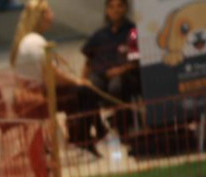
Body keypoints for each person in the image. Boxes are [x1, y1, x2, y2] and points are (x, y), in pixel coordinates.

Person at [11, 0, 107, 155]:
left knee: (82, 90)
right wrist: (77, 81)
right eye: (49, 11)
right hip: (38, 96)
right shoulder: (35, 42)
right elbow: (52, 75)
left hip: (34, 91)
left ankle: (91, 132)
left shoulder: (28, 40)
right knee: (84, 90)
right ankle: (82, 137)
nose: (52, 15)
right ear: (40, 16)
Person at [82, 0, 140, 135]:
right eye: (112, 7)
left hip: (125, 75)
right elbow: (88, 61)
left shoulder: (133, 32)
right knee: (86, 88)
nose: (116, 10)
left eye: (119, 6)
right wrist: (82, 79)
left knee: (116, 86)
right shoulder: (99, 34)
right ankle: (97, 127)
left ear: (125, 8)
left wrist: (121, 70)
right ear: (107, 10)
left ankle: (123, 129)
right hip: (100, 75)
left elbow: (137, 61)